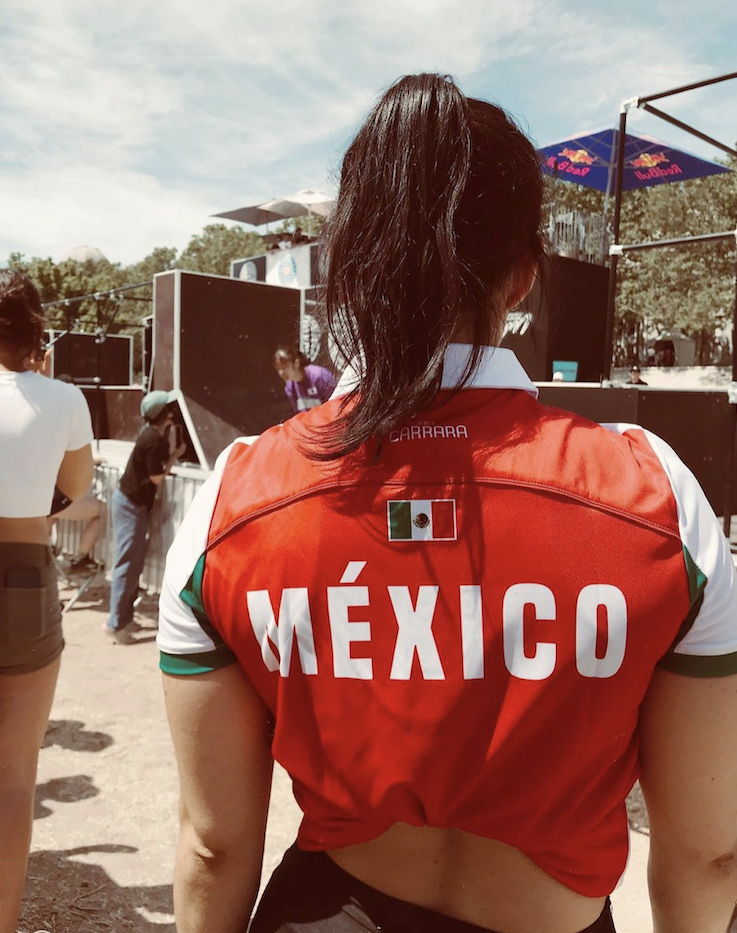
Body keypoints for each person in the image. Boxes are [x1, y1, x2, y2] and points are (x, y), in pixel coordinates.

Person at [158, 74, 737, 933]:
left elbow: (212, 844)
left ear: (348, 268)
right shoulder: (657, 498)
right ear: (524, 276)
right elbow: (709, 854)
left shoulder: (236, 497)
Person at [0, 269, 94, 933]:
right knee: (11, 776)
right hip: (23, 573)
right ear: (36, 330)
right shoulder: (62, 398)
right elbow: (75, 487)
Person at [106, 390, 185, 645]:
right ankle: (117, 624)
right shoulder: (153, 440)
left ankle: (123, 619)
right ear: (164, 415)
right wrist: (174, 457)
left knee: (133, 563)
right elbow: (157, 478)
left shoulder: (152, 435)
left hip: (131, 503)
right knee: (127, 564)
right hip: (130, 505)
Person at [273, 346, 337, 413]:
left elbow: (338, 401)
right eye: (278, 369)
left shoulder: (319, 376)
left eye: (284, 367)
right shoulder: (289, 388)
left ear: (296, 363)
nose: (281, 373)